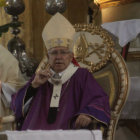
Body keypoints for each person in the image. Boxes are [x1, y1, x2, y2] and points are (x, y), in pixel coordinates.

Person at [11, 13, 110, 130]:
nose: (58, 57)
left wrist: (87, 113)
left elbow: (99, 99)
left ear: (71, 56)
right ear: (48, 56)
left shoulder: (82, 75)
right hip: (36, 134)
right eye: (54, 53)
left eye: (63, 52)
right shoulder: (40, 77)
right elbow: (16, 107)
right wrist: (34, 86)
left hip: (70, 133)